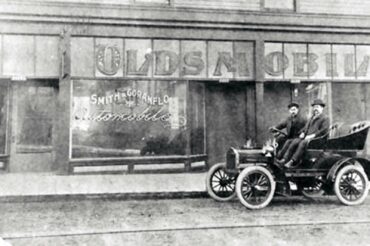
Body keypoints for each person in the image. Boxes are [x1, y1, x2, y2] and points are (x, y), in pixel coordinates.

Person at [277, 99, 330, 168]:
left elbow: (324, 130)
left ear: (322, 108)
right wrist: (302, 132)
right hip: (308, 138)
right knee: (292, 141)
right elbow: (306, 127)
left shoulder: (325, 118)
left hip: (318, 140)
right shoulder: (312, 118)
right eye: (314, 107)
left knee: (303, 143)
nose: (315, 109)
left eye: (317, 107)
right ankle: (284, 159)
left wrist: (312, 135)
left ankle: (292, 161)